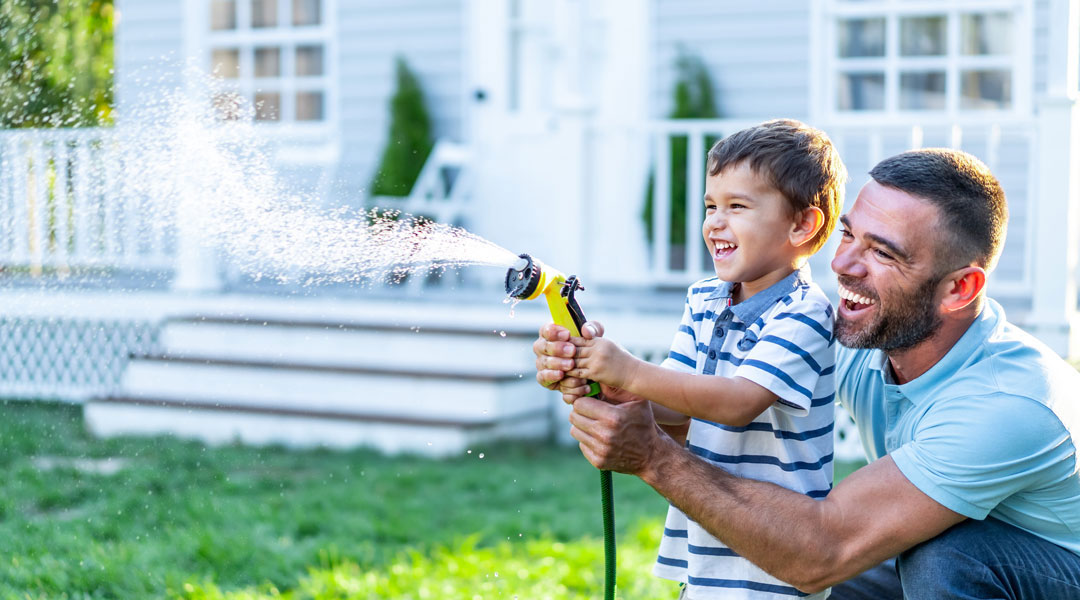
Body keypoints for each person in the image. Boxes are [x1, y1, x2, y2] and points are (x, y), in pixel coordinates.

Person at [536, 147, 1080, 599]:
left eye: (884, 254)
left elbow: (822, 551)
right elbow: (708, 409)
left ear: (959, 288)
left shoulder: (1009, 404)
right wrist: (617, 389)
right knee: (809, 562)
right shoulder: (863, 337)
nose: (842, 264)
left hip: (1056, 566)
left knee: (937, 561)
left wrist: (652, 457)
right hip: (962, 533)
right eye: (849, 236)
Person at [554, 119, 846, 599]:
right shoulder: (705, 299)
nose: (714, 222)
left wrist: (629, 369)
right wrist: (614, 386)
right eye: (711, 205)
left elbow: (737, 403)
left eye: (737, 206)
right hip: (709, 541)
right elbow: (680, 407)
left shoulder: (805, 312)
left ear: (802, 224)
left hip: (775, 556)